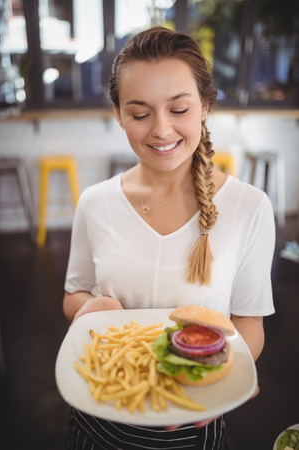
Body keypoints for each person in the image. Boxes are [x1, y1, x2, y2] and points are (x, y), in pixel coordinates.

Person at [63, 26, 275, 450]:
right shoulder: (95, 203)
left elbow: (249, 321)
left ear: (204, 107)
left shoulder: (250, 207)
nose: (161, 130)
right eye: (140, 114)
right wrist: (89, 307)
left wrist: (232, 372)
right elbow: (74, 294)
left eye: (178, 109)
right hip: (98, 416)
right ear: (118, 113)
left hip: (193, 424)